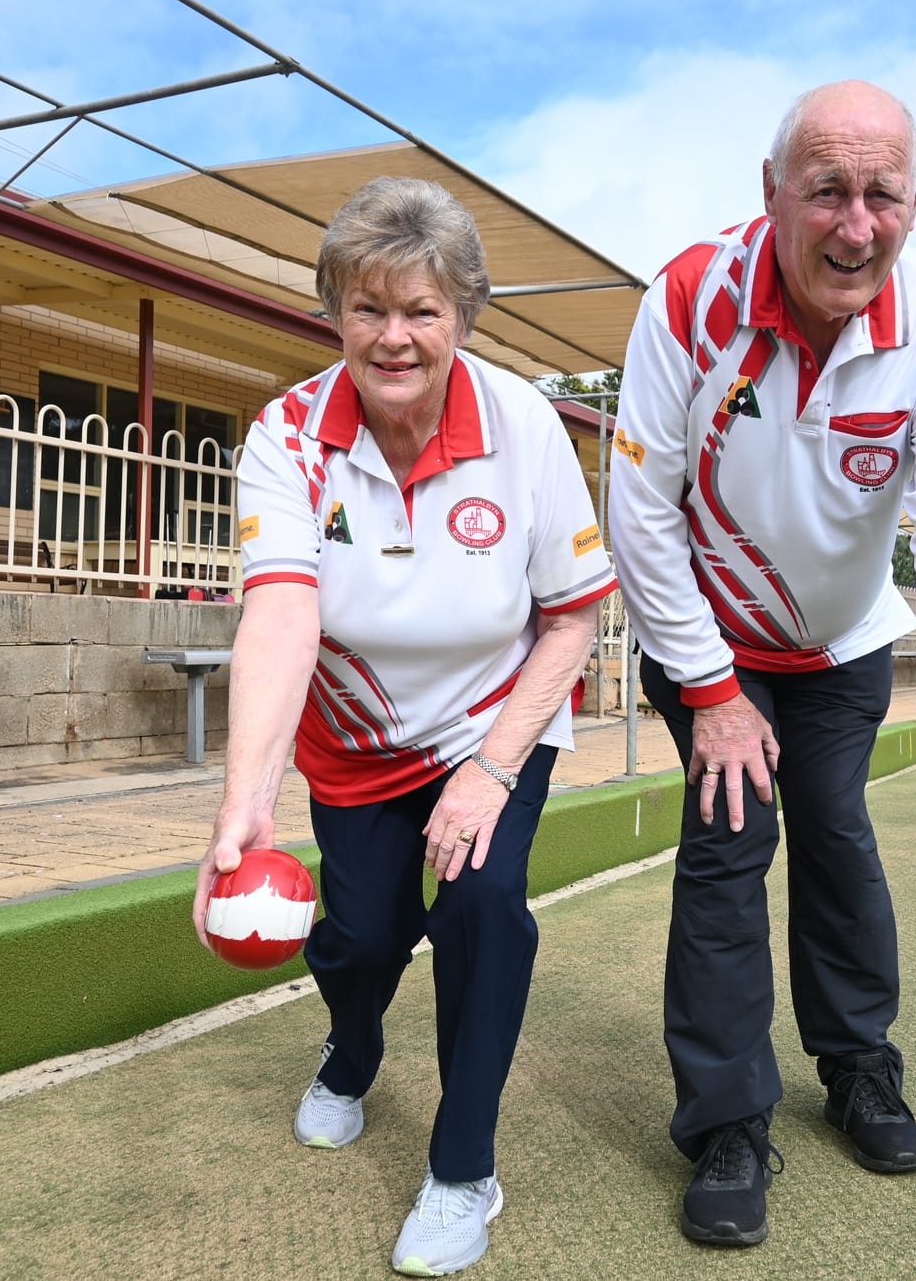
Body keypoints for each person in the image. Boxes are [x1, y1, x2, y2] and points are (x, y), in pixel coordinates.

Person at [608, 80, 916, 1248]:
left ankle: (858, 1065)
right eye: (826, 191)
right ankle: (726, 1120)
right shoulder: (689, 299)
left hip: (842, 640)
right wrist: (712, 694)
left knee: (833, 832)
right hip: (708, 639)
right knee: (729, 846)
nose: (855, 226)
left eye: (883, 195)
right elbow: (638, 510)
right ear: (771, 192)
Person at [193, 177, 616, 1277]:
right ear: (334, 311)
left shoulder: (524, 424)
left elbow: (573, 615)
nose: (394, 336)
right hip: (355, 741)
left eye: (421, 310)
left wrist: (491, 768)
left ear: (462, 317)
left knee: (481, 903)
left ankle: (463, 1168)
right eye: (367, 307)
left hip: (493, 721)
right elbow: (280, 614)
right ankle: (352, 1041)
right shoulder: (286, 434)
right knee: (365, 937)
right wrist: (245, 805)